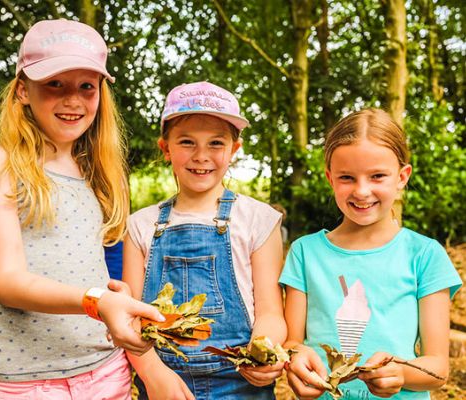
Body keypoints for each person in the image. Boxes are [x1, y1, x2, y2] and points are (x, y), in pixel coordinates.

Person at [0, 19, 165, 399]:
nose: (73, 100)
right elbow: (8, 282)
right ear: (23, 90)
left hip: (107, 373)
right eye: (54, 84)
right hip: (29, 385)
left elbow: (108, 272)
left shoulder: (101, 174)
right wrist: (98, 302)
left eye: (86, 86)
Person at [280, 108, 462, 400]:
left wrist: (401, 372)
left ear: (402, 177)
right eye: (347, 177)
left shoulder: (426, 256)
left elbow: (438, 368)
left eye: (377, 176)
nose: (362, 191)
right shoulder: (305, 253)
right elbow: (292, 342)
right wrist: (296, 360)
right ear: (330, 178)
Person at [123, 81, 287, 399]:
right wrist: (152, 374)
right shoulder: (141, 225)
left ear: (234, 150)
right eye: (187, 142)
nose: (201, 156)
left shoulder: (258, 219)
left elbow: (271, 313)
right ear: (166, 148)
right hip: (163, 383)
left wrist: (263, 351)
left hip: (241, 383)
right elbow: (132, 318)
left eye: (215, 143)